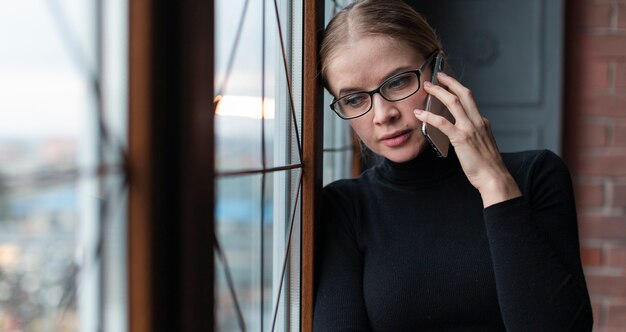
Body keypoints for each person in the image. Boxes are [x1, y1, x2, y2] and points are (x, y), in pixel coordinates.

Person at [313, 0, 593, 331]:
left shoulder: (536, 175)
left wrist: (494, 182)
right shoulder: (345, 207)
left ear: (439, 67)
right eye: (355, 99)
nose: (382, 114)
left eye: (398, 82)